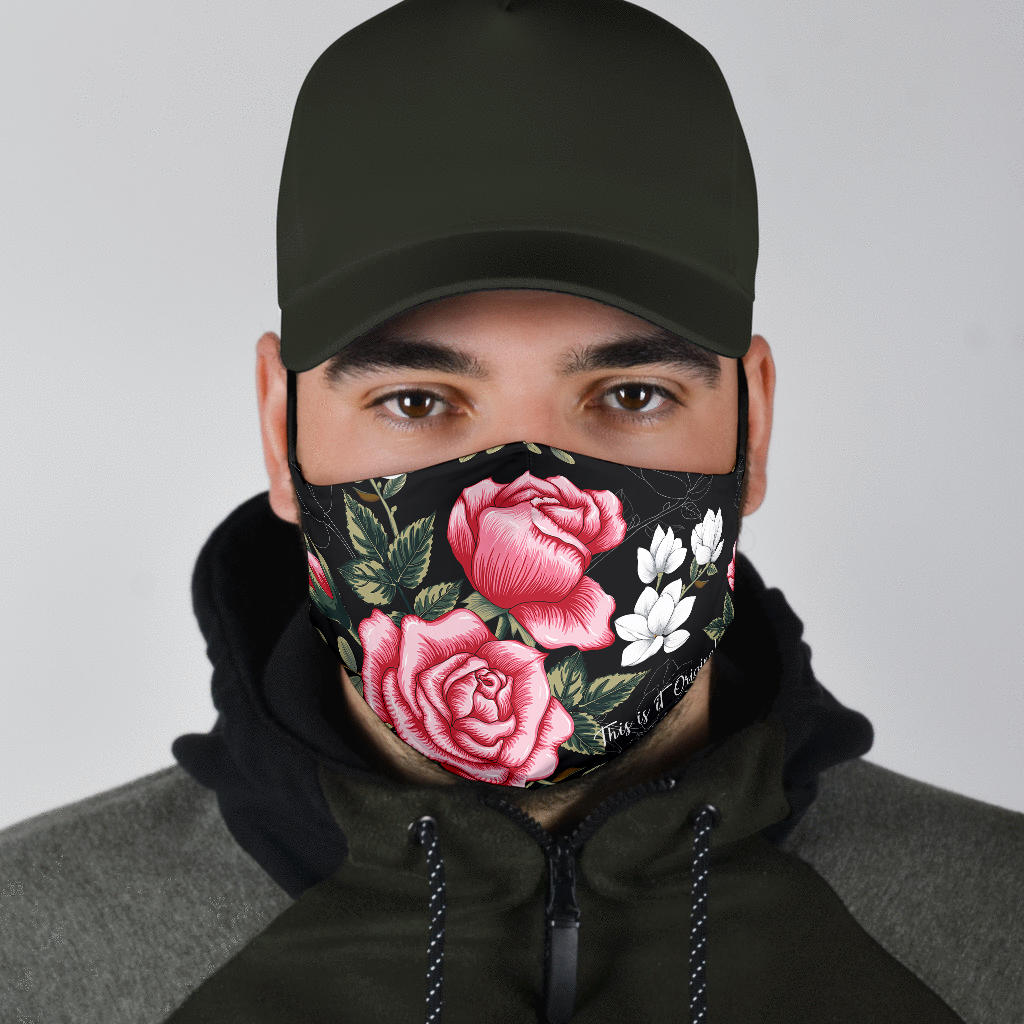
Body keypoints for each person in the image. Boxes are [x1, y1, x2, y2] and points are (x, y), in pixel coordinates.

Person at [2, 1, 1022, 1022]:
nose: (528, 483)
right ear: (282, 429)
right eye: (416, 401)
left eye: (631, 395)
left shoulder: (998, 932)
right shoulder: (28, 958)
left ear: (752, 427)